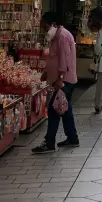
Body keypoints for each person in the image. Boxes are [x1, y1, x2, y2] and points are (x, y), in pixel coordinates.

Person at [33, 12, 79, 153]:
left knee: (54, 110)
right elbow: (54, 58)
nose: (44, 29)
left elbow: (64, 60)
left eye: (45, 26)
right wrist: (47, 72)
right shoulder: (56, 36)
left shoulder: (62, 37)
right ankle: (72, 138)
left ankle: (50, 142)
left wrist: (59, 79)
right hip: (60, 79)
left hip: (63, 80)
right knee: (65, 109)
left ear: (53, 24)